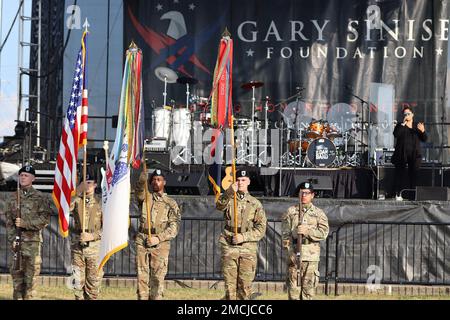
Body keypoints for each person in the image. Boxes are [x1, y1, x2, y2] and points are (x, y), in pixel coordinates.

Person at [216, 169, 267, 300]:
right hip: (229, 244)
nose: (240, 182)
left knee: (245, 286)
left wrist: (243, 237)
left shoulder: (255, 204)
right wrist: (228, 192)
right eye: (238, 180)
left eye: (243, 180)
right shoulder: (229, 198)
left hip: (247, 247)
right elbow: (219, 205)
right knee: (230, 286)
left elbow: (261, 228)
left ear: (249, 181)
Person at [5, 165, 51, 300]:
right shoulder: (12, 198)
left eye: (26, 175)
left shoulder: (40, 197)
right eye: (21, 175)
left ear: (33, 178)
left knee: (31, 282)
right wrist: (13, 240)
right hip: (17, 245)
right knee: (17, 282)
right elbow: (9, 222)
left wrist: (26, 224)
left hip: (32, 245)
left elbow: (44, 220)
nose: (23, 177)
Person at [134, 169, 181, 300]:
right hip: (142, 241)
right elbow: (138, 191)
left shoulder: (171, 203)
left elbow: (174, 227)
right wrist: (142, 179)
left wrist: (158, 239)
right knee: (142, 278)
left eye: (159, 179)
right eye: (154, 179)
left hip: (160, 245)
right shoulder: (145, 199)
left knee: (157, 278)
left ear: (164, 182)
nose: (156, 182)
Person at [282, 182, 329, 300]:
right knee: (293, 294)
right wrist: (289, 252)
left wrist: (308, 231)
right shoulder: (291, 212)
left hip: (311, 257)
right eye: (302, 193)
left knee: (308, 293)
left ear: (312, 195)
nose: (304, 196)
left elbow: (323, 233)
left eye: (307, 193)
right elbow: (285, 236)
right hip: (294, 256)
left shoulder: (318, 213)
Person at [69, 172, 103, 300]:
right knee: (77, 283)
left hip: (95, 248)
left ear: (95, 185)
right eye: (84, 183)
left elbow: (107, 228)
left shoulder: (101, 203)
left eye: (89, 183)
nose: (87, 186)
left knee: (93, 284)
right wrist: (77, 191)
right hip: (78, 247)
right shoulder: (77, 201)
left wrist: (92, 236)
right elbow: (65, 209)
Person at [391, 107, 427, 200]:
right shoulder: (400, 125)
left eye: (408, 114)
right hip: (402, 154)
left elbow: (424, 139)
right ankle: (398, 194)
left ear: (412, 114)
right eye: (405, 114)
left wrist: (423, 131)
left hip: (414, 155)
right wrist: (403, 123)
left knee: (414, 175)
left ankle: (413, 196)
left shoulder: (417, 125)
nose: (406, 116)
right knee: (400, 174)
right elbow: (396, 134)